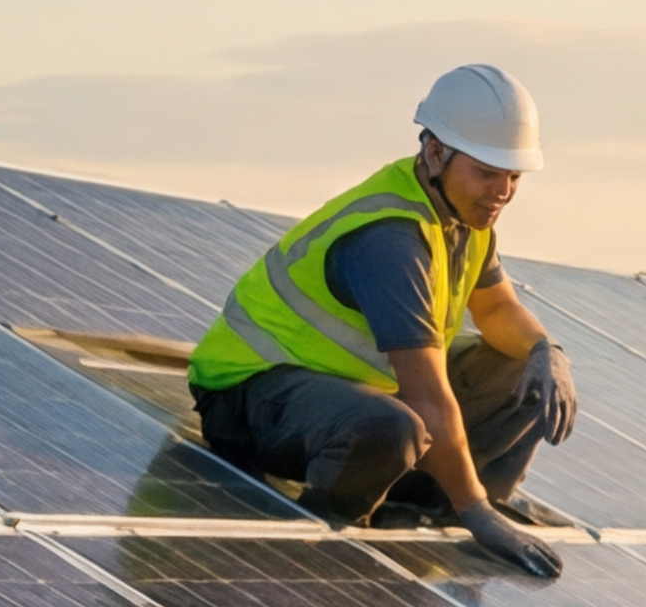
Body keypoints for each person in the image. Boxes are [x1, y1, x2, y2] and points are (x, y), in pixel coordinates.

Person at [182, 60, 581, 580]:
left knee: (521, 368)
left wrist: (546, 350)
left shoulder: (466, 217)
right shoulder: (390, 240)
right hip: (251, 396)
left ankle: (429, 500)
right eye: (487, 172)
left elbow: (498, 309)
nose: (502, 190)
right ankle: (337, 522)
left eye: (512, 175)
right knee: (392, 429)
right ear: (435, 153)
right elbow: (427, 396)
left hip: (342, 394)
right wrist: (477, 512)